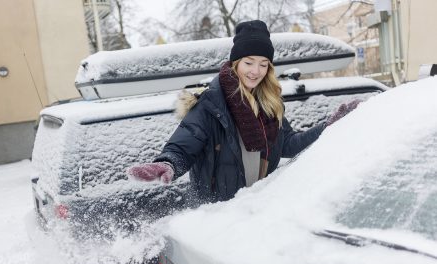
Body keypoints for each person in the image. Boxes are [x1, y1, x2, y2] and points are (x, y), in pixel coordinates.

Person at [128, 20, 359, 204]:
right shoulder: (211, 104)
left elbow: (287, 144)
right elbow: (184, 145)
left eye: (263, 64)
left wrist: (327, 127)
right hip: (216, 216)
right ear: (236, 62)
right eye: (249, 62)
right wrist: (168, 164)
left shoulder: (269, 103)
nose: (255, 71)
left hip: (256, 209)